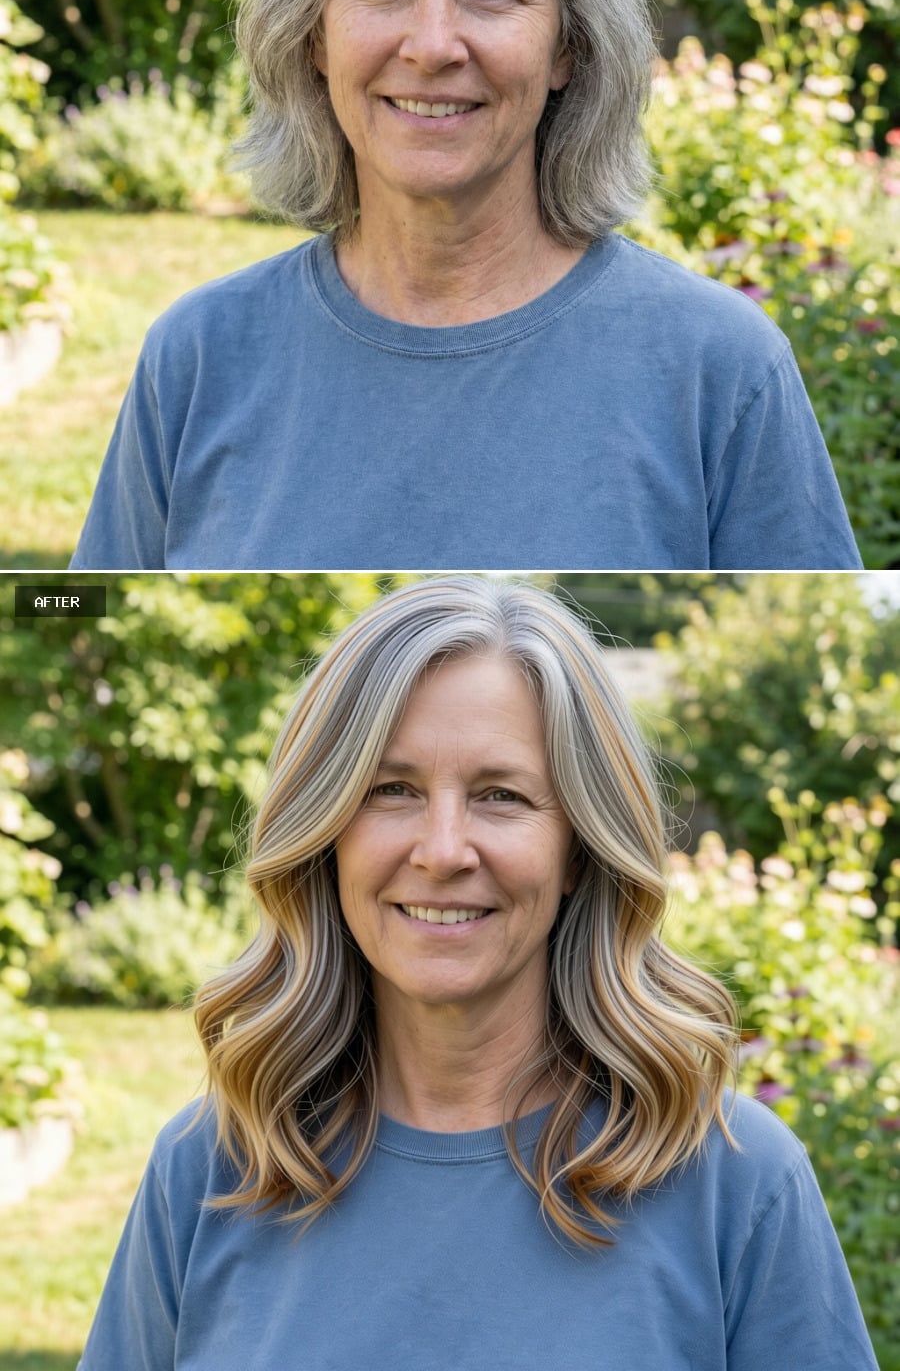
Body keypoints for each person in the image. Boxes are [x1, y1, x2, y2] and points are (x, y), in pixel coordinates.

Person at [78, 576, 877, 1369]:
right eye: (391, 790)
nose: (443, 850)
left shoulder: (734, 1183)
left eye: (501, 796)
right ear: (325, 834)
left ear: (579, 849)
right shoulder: (210, 1169)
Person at [69, 0, 861, 572]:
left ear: (568, 47)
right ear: (313, 33)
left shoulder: (720, 371)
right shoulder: (199, 356)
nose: (433, 43)